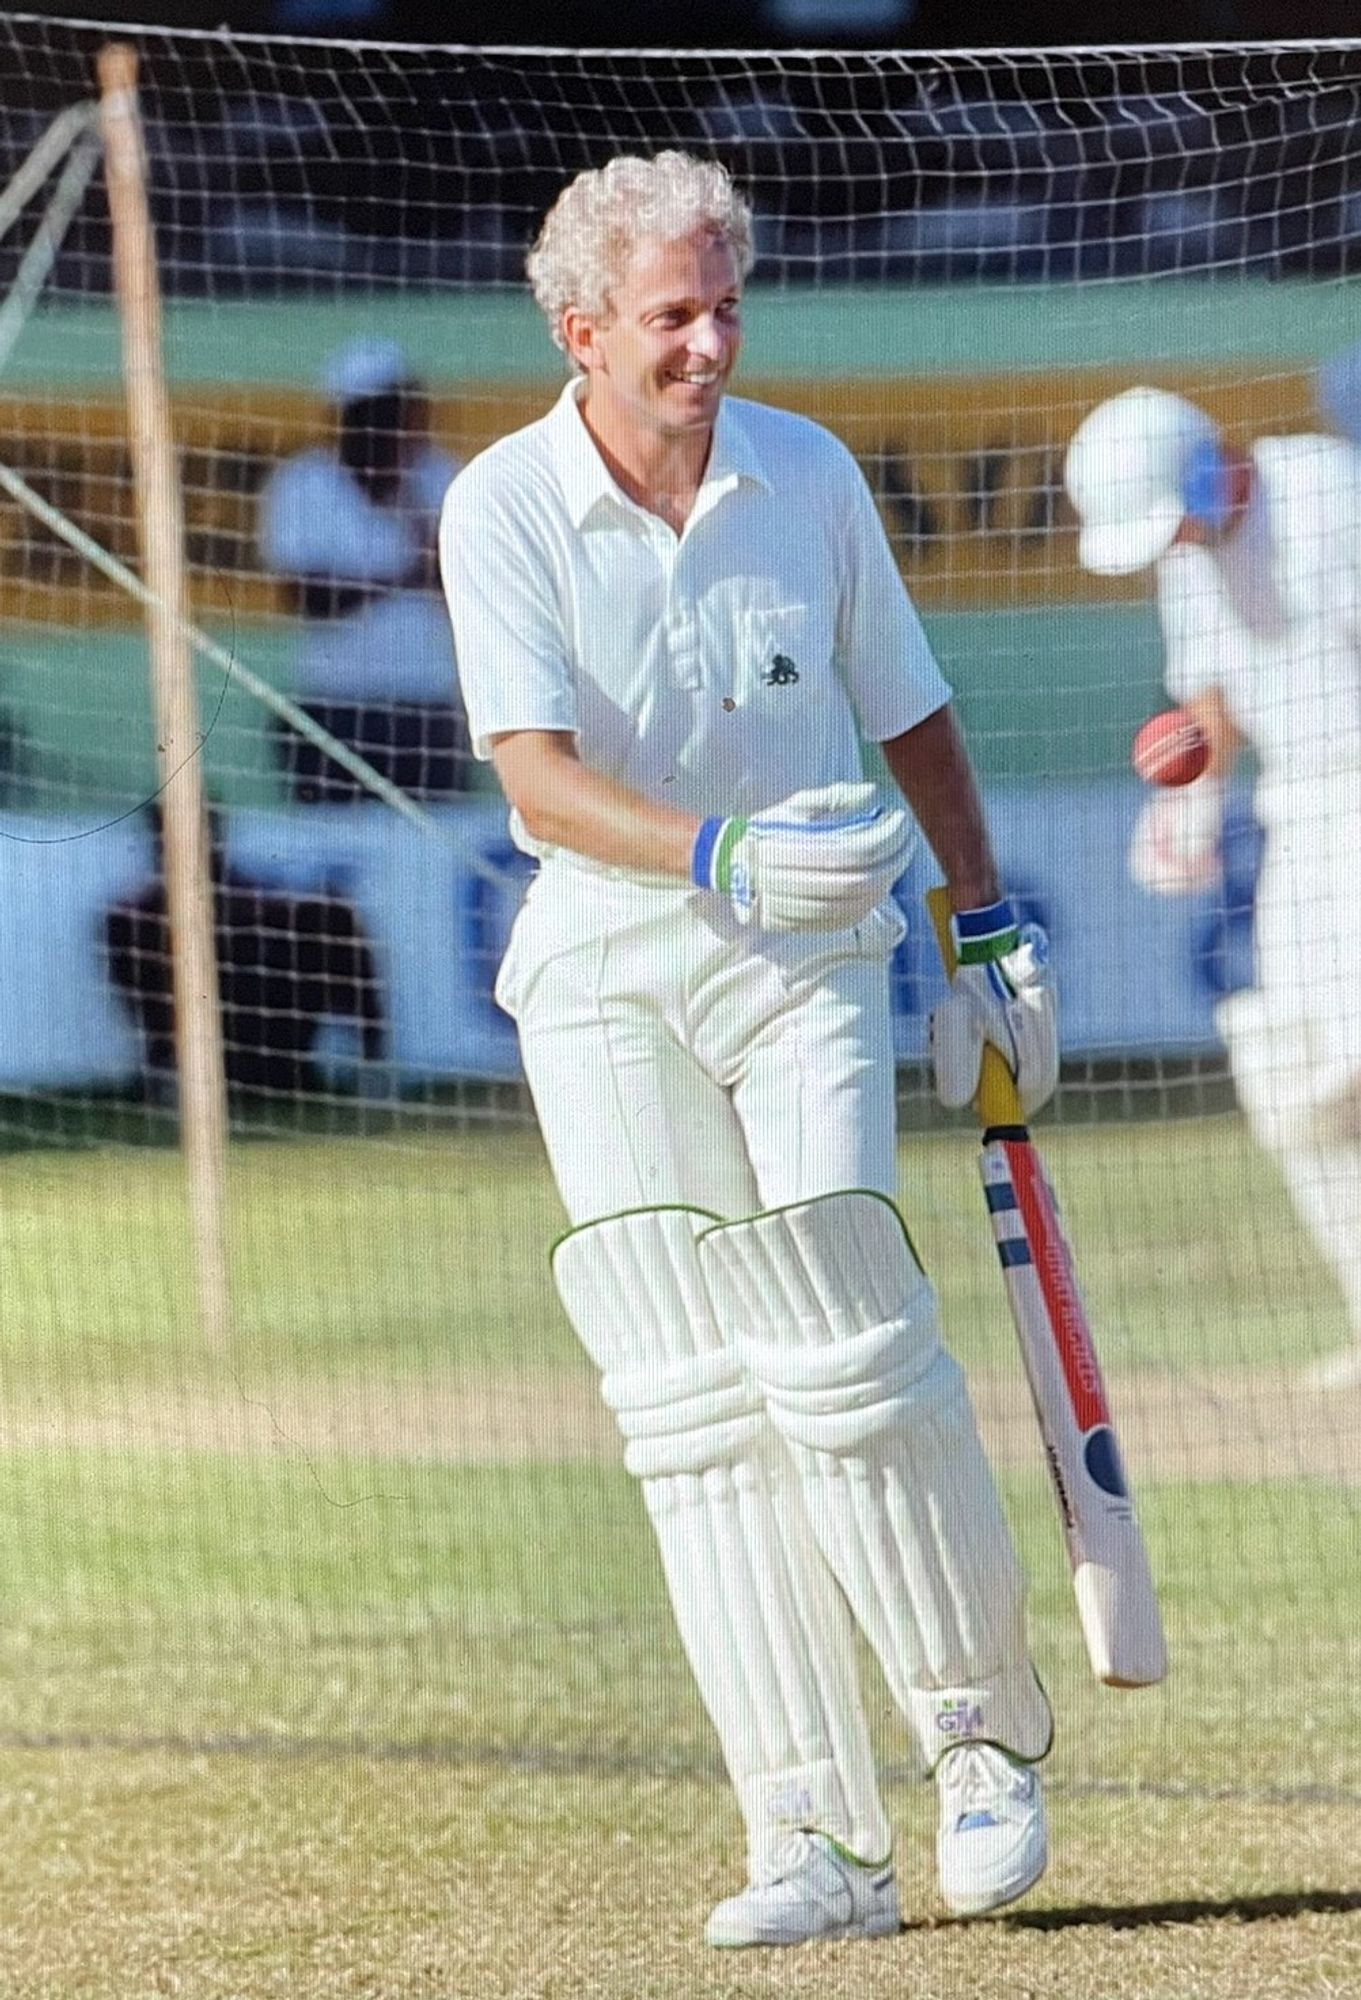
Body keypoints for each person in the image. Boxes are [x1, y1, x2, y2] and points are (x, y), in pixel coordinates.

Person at [438, 151, 1059, 1947]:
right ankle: (812, 1840)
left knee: (845, 1343)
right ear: (582, 334)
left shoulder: (805, 470)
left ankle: (977, 1736)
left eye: (726, 306)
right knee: (687, 1408)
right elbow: (534, 772)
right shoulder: (504, 505)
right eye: (672, 318)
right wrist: (711, 849)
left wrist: (985, 916)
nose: (710, 343)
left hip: (807, 955)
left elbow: (909, 704)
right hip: (611, 959)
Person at [1065, 384, 1361, 1391]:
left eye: (1171, 519)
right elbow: (1209, 696)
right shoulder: (1183, 559)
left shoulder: (1323, 495)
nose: (1172, 544)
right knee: (1285, 1080)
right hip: (1302, 813)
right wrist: (1188, 800)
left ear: (1203, 466)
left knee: (1347, 1057)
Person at [258, 336, 469, 803]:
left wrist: (407, 503)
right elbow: (310, 600)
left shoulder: (441, 478)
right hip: (337, 704)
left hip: (426, 706)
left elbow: (463, 587)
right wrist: (400, 575)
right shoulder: (304, 483)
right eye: (388, 411)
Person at [104, 804, 386, 1103]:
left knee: (329, 916)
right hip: (195, 1038)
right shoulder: (136, 915)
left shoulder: (258, 898)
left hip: (268, 1034)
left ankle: (370, 1062)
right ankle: (173, 1072)